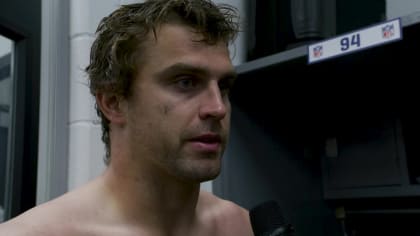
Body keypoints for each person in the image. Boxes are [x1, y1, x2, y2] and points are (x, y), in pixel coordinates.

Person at [0, 0, 254, 235]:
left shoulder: (243, 227)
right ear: (113, 102)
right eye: (186, 82)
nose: (218, 108)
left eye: (223, 86)